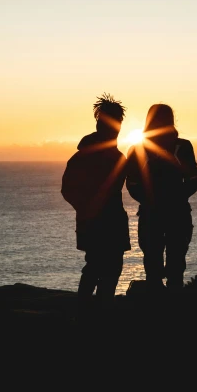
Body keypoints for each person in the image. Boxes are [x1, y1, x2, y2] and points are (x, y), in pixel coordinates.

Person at [61, 93, 130, 320]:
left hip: (110, 221)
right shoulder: (85, 156)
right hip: (98, 222)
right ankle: (92, 314)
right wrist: (88, 208)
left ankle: (98, 312)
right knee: (97, 268)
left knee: (103, 268)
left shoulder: (117, 156)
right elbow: (68, 189)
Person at [126, 103, 197, 295]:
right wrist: (174, 198)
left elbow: (133, 185)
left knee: (166, 264)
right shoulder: (180, 146)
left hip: (162, 213)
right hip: (169, 213)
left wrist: (154, 200)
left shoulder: (181, 146)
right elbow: (193, 180)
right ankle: (166, 307)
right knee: (162, 265)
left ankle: (160, 307)